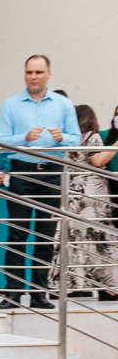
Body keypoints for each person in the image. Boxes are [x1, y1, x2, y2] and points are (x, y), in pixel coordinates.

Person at [0, 55, 81, 310]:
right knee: (17, 233)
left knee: (44, 233)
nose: (33, 76)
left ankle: (39, 293)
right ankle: (12, 292)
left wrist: (62, 137)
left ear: (49, 74)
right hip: (21, 171)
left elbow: (76, 139)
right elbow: (1, 141)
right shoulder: (10, 104)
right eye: (29, 72)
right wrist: (24, 137)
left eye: (38, 72)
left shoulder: (63, 104)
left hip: (52, 171)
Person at [60, 105, 117, 297]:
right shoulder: (92, 136)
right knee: (102, 238)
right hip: (92, 196)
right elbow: (98, 161)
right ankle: (109, 286)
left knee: (77, 238)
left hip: (73, 195)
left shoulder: (69, 140)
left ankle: (77, 283)